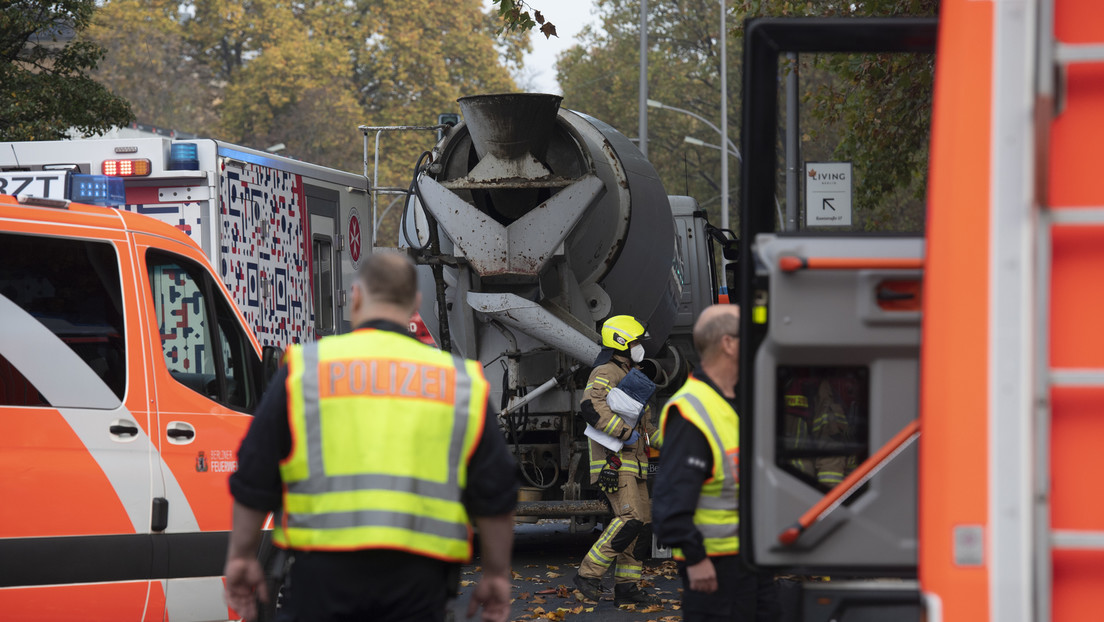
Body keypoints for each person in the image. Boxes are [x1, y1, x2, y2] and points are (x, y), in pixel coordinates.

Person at [223, 251, 519, 622]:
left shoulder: (305, 370)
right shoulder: (459, 382)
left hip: (321, 579)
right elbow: (495, 492)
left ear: (356, 297)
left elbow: (255, 474)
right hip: (418, 584)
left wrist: (240, 557)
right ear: (415, 303)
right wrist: (494, 574)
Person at [652, 304, 780, 621]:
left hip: (749, 561)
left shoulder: (733, 401)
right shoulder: (691, 410)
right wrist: (696, 560)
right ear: (728, 343)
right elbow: (670, 505)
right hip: (714, 569)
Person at [572, 314, 661, 607]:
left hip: (636, 467)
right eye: (634, 341)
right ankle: (588, 575)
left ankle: (627, 588)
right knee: (629, 520)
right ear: (621, 342)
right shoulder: (606, 371)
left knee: (642, 527)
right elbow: (591, 406)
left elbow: (646, 430)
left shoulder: (632, 376)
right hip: (615, 465)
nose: (639, 347)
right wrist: (625, 433)